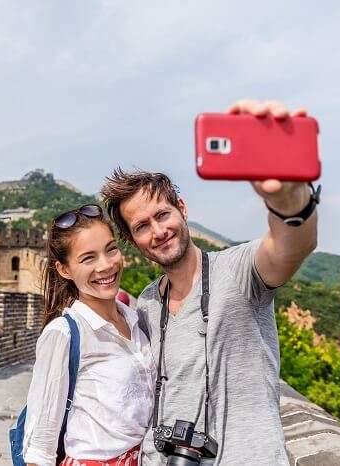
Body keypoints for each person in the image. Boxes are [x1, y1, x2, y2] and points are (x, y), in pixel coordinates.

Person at [100, 100, 319, 465]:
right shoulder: (148, 302)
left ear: (182, 210)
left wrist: (290, 200)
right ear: (132, 240)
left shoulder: (238, 271)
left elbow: (292, 245)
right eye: (141, 226)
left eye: (163, 214)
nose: (158, 231)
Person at [21, 204, 156, 466]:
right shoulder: (63, 334)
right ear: (64, 270)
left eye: (111, 249)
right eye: (88, 258)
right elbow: (40, 445)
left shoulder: (135, 318)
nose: (106, 266)